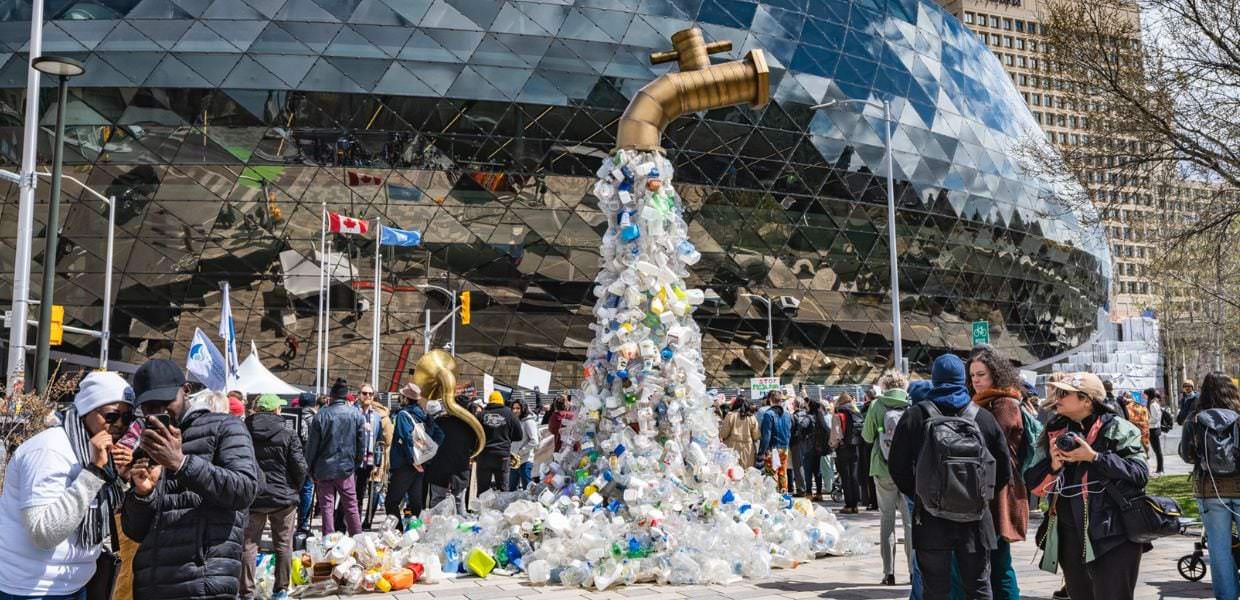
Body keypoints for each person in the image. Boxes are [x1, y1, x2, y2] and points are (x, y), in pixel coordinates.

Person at [121, 358, 259, 600]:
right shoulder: (147, 446)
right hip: (153, 586)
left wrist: (181, 464)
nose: (158, 412)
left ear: (186, 390)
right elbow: (136, 531)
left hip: (203, 584)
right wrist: (143, 494)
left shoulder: (225, 427)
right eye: (149, 407)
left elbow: (244, 490)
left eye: (165, 402)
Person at [0, 372, 134, 598]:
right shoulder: (50, 449)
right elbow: (43, 534)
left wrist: (120, 477)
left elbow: (96, 509)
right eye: (111, 416)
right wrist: (94, 472)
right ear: (87, 410)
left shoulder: (93, 450)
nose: (120, 425)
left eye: (128, 417)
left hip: (72, 585)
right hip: (31, 589)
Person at [888, 354, 1012, 600]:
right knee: (979, 588)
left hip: (931, 520)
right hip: (975, 521)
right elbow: (1003, 470)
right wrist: (979, 496)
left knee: (935, 589)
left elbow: (897, 467)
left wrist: (921, 494)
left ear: (935, 379)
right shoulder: (982, 417)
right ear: (962, 379)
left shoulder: (915, 416)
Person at [1025, 372, 1148, 600]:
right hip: (1069, 533)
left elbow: (1139, 473)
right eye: (1057, 392)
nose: (1057, 397)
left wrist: (1094, 457)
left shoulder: (1118, 428)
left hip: (1113, 531)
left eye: (1064, 393)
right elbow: (1033, 484)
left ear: (1087, 400)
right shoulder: (1054, 430)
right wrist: (1053, 465)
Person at [962, 347, 1027, 600]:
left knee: (1000, 561)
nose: (976, 381)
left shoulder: (1004, 403)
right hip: (986, 487)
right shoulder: (981, 402)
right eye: (972, 376)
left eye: (981, 375)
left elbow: (993, 446)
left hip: (1001, 489)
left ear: (996, 374)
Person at [241, 394, 307, 600]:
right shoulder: (288, 433)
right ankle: (281, 590)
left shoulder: (243, 431)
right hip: (283, 497)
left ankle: (246, 592)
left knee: (249, 545)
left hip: (253, 496)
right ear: (277, 410)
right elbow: (300, 467)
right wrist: (294, 488)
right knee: (283, 544)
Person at [1181, 372, 1240, 600]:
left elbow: (1187, 455)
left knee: (1219, 549)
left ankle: (1227, 596)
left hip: (1209, 490)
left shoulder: (1195, 419)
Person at [862, 370, 915, 586]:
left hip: (882, 469)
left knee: (887, 520)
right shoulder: (911, 405)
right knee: (910, 522)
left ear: (884, 385)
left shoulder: (876, 405)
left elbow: (867, 436)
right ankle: (913, 571)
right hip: (908, 471)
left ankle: (889, 573)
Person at [305, 378, 365, 536]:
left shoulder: (321, 415)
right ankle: (357, 538)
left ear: (331, 396)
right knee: (351, 505)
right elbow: (361, 445)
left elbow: (312, 447)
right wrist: (355, 464)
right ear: (346, 396)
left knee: (327, 506)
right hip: (346, 468)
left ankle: (329, 540)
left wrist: (310, 468)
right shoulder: (356, 414)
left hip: (324, 468)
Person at [387, 383, 438, 519]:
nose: (400, 398)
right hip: (420, 463)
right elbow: (437, 435)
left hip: (405, 463)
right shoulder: (423, 414)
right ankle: (416, 529)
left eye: (401, 396)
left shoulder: (403, 415)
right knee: (416, 503)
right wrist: (423, 460)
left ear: (405, 398)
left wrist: (413, 460)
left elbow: (407, 438)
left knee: (391, 502)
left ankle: (397, 530)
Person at [425, 395, 480, 515]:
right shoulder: (471, 427)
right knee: (459, 502)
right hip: (460, 468)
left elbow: (428, 441)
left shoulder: (439, 421)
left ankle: (436, 525)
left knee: (437, 502)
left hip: (439, 468)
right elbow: (474, 446)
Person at [354, 383, 392, 529]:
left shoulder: (377, 417)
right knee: (354, 494)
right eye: (365, 393)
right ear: (359, 395)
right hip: (353, 460)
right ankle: (354, 523)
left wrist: (378, 461)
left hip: (371, 460)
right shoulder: (353, 412)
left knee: (365, 491)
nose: (368, 396)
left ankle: (362, 523)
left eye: (370, 394)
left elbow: (380, 440)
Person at [476, 391, 523, 494]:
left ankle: (482, 504)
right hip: (502, 456)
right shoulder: (510, 414)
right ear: (501, 401)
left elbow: (474, 436)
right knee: (503, 488)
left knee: (483, 489)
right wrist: (507, 438)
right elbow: (519, 436)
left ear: (489, 401)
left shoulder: (481, 415)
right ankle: (501, 504)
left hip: (484, 455)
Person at [290, 391, 318, 538]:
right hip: (308, 460)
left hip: (292, 460)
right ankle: (303, 524)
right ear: (314, 404)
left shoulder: (292, 417)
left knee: (293, 490)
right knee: (307, 491)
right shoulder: (316, 419)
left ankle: (289, 524)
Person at [831, 392, 864, 514]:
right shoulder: (856, 411)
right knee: (854, 476)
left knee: (846, 476)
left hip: (843, 447)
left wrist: (833, 445)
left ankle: (849, 505)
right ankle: (855, 504)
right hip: (855, 446)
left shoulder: (839, 414)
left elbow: (836, 434)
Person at [758, 390, 793, 493]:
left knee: (771, 474)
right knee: (783, 472)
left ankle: (773, 495)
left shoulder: (768, 414)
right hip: (784, 447)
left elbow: (766, 435)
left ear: (770, 400)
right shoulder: (787, 414)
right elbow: (789, 431)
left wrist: (762, 451)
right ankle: (784, 495)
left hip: (772, 448)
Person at [720, 397, 760, 469]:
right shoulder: (752, 417)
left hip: (732, 448)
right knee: (747, 472)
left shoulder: (730, 415)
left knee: (732, 471)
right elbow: (756, 436)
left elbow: (723, 434)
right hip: (748, 449)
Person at [803, 399, 830, 501]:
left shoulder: (808, 417)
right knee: (817, 471)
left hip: (809, 447)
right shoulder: (820, 417)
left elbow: (802, 426)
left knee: (808, 471)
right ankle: (819, 493)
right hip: (818, 448)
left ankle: (809, 493)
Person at [509, 400, 540, 490]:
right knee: (512, 489)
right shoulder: (515, 421)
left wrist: (520, 452)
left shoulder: (529, 422)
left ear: (523, 409)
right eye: (513, 408)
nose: (515, 410)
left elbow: (535, 441)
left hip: (525, 460)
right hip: (514, 460)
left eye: (518, 408)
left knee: (527, 489)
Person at [859, 386, 879, 510]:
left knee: (870, 474)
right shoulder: (883, 406)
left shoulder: (866, 409)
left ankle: (873, 501)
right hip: (883, 443)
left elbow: (866, 431)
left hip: (868, 445)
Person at [789, 398, 812, 496]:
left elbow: (790, 431)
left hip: (796, 443)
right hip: (808, 443)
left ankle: (801, 489)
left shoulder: (794, 416)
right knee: (807, 466)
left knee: (798, 467)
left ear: (795, 405)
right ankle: (808, 489)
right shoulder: (807, 415)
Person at [1121, 392, 1150, 457]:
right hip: (1144, 429)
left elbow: (1126, 419)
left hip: (1133, 431)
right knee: (1145, 445)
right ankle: (1147, 455)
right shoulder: (1142, 406)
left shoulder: (1126, 407)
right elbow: (1148, 417)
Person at [1145, 388, 1165, 474]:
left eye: (1145, 394)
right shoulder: (1153, 403)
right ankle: (1160, 469)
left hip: (1154, 429)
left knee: (1157, 451)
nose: (1144, 396)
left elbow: (1155, 418)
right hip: (1153, 429)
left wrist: (1146, 421)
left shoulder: (1153, 405)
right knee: (1157, 450)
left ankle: (1160, 469)